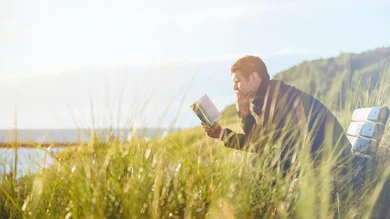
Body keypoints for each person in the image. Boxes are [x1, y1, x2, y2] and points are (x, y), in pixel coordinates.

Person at [201, 55, 353, 214]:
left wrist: (240, 116)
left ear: (253, 77)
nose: (234, 88)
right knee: (261, 164)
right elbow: (261, 140)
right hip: (320, 158)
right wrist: (224, 131)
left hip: (331, 164)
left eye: (237, 81)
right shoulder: (270, 95)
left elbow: (259, 143)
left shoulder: (276, 98)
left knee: (260, 164)